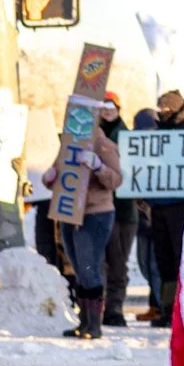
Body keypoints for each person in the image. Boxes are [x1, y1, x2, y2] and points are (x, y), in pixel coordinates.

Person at [42, 107, 123, 339]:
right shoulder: (67, 144)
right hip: (69, 213)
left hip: (95, 214)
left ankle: (95, 324)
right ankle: (84, 322)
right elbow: (58, 174)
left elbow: (116, 179)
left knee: (89, 267)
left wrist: (98, 166)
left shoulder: (103, 145)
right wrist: (49, 178)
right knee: (77, 268)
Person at [150, 90, 184, 326]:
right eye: (160, 109)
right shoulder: (156, 135)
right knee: (165, 261)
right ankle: (168, 309)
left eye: (167, 109)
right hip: (159, 207)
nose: (162, 113)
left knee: (182, 259)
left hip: (183, 207)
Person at [99, 94, 138, 327]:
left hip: (124, 210)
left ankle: (114, 308)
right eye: (103, 106)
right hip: (102, 208)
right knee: (103, 260)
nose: (107, 110)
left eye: (111, 106)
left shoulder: (130, 138)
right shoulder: (93, 137)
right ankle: (104, 307)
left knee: (118, 261)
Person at [133, 106, 163, 323]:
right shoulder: (134, 154)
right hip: (141, 219)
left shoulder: (164, 154)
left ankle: (162, 306)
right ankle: (155, 305)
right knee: (144, 265)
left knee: (156, 265)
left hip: (160, 217)